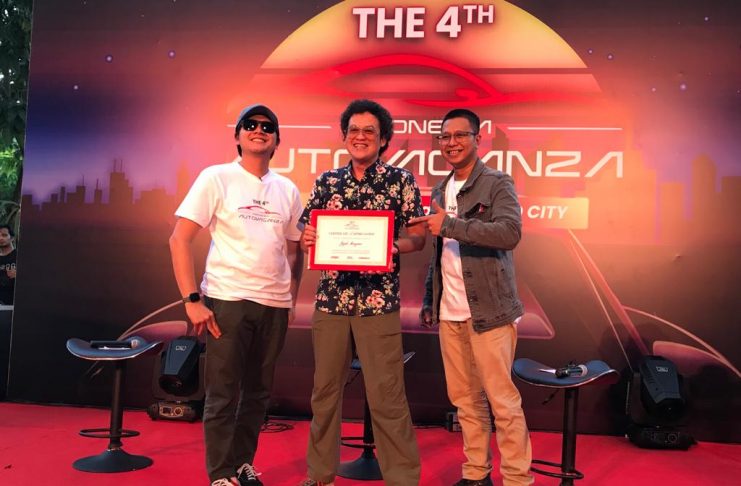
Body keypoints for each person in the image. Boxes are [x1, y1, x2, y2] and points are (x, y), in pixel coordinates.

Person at [169, 104, 304, 486]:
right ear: (238, 136)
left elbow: (295, 251)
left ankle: (243, 463)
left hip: (274, 305)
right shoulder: (216, 177)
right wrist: (192, 300)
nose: (259, 130)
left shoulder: (288, 190)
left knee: (258, 394)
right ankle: (220, 473)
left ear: (277, 140)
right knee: (223, 393)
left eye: (267, 126)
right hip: (228, 300)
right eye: (250, 124)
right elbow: (179, 239)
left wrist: (291, 297)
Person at [298, 99, 425, 486]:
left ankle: (402, 479)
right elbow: (306, 232)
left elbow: (418, 238)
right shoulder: (327, 181)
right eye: (353, 129)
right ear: (344, 136)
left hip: (378, 303)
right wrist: (308, 238)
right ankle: (319, 475)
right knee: (324, 393)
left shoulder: (400, 181)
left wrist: (391, 247)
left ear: (383, 139)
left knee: (387, 395)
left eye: (369, 130)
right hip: (331, 302)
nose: (360, 136)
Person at [414, 109, 534, 486]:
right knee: (465, 401)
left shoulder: (497, 183)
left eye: (459, 135)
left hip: (491, 312)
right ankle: (476, 474)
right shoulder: (439, 190)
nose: (451, 143)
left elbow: (509, 233)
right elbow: (438, 255)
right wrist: (430, 299)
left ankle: (517, 479)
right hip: (450, 313)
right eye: (445, 137)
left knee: (502, 402)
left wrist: (451, 224)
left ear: (477, 139)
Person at [0, 224, 17, 305]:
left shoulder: (20, 255)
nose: (0, 238)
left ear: (12, 238)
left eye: (4, 235)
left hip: (16, 304)